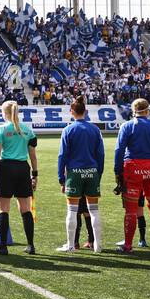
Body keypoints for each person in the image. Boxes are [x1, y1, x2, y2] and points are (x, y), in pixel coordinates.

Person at [113, 98, 150, 253]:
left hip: (132, 168)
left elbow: (119, 150)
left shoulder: (127, 126)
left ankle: (128, 245)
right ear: (147, 110)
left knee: (131, 209)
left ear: (133, 110)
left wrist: (118, 171)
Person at [0, 100, 39, 255]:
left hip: (5, 169)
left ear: (4, 113)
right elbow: (33, 156)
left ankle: (3, 246)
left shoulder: (2, 129)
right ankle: (30, 245)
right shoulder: (27, 130)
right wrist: (34, 174)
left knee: (3, 209)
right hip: (23, 169)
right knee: (25, 209)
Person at [56, 96, 104, 253]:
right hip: (92, 172)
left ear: (72, 112)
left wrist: (61, 178)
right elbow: (100, 155)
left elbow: (62, 156)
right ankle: (97, 245)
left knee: (72, 210)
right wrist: (98, 174)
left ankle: (70, 245)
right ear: (86, 111)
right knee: (94, 210)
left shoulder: (68, 130)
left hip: (74, 174)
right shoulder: (95, 130)